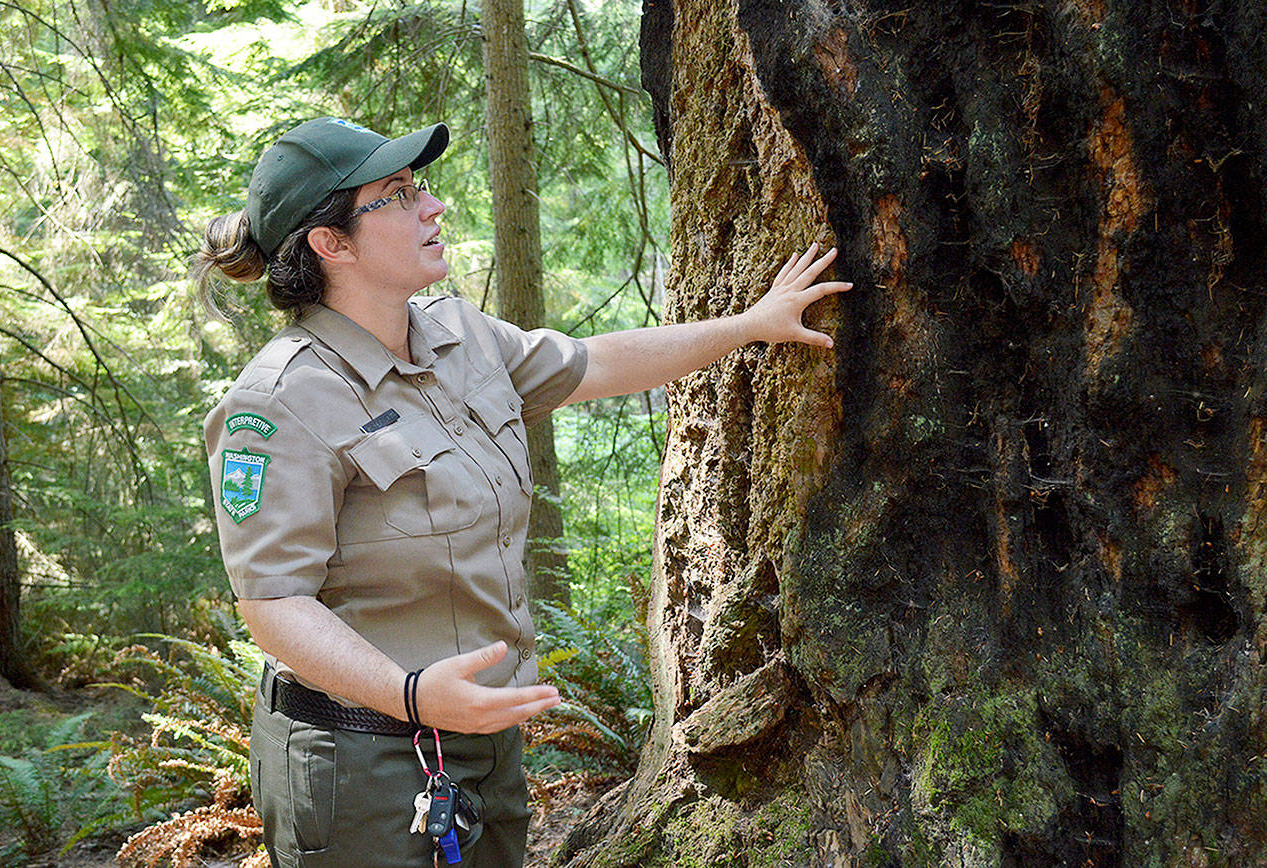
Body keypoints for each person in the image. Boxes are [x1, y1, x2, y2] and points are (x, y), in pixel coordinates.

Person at [195, 116, 850, 868]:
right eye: (400, 195)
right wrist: (411, 696)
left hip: (480, 744)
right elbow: (273, 605)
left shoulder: (456, 334)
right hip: (358, 763)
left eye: (422, 187)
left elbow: (594, 365)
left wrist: (749, 325)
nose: (432, 206)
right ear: (330, 243)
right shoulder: (281, 401)